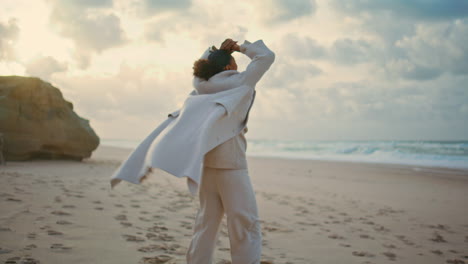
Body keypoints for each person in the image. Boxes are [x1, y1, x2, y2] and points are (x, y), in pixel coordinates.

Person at [186, 38, 275, 264]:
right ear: (227, 68)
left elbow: (204, 64)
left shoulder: (201, 86)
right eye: (234, 62)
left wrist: (216, 51)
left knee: (206, 224)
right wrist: (239, 47)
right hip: (232, 165)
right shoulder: (241, 82)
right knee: (245, 225)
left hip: (207, 163)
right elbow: (266, 57)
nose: (237, 66)